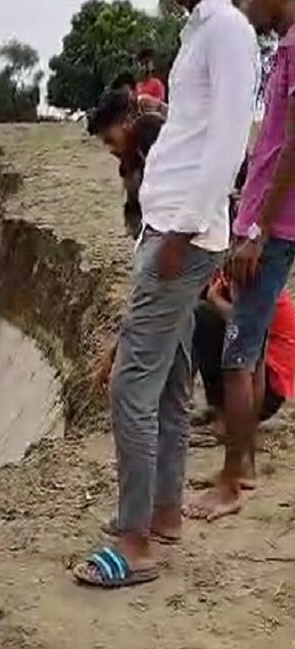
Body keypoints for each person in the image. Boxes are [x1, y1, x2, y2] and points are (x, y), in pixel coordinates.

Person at [75, 0, 258, 588]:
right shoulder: (200, 28)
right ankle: (165, 512)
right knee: (174, 379)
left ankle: (135, 542)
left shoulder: (226, 29)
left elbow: (230, 138)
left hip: (182, 233)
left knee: (133, 383)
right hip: (173, 229)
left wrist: (184, 229)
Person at [186, 0, 295, 520]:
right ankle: (242, 467)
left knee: (239, 353)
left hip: (270, 230)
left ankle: (233, 482)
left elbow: (291, 147)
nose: (244, 8)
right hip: (264, 225)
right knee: (241, 350)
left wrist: (257, 229)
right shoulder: (286, 47)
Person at [194, 269, 295, 441]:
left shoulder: (257, 281)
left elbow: (246, 325)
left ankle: (229, 419)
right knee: (200, 312)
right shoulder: (228, 276)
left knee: (204, 316)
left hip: (269, 388)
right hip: (259, 374)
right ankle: (220, 408)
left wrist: (215, 300)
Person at [87, 87, 166, 237]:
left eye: (110, 140)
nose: (110, 149)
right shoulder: (130, 162)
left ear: (127, 122)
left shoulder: (154, 131)